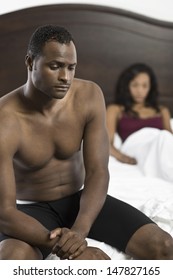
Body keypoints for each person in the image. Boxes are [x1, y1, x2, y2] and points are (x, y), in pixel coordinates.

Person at [0, 25, 173, 260]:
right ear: (30, 62)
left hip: (79, 201)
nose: (65, 77)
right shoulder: (5, 118)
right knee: (12, 258)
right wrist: (68, 247)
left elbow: (98, 171)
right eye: (55, 66)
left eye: (71, 68)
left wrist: (80, 231)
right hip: (28, 210)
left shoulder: (89, 96)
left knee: (164, 246)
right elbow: (5, 212)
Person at [106, 63, 173, 181]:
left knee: (164, 137)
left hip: (160, 146)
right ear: (127, 86)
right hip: (135, 148)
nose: (140, 91)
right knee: (163, 137)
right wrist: (124, 158)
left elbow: (169, 138)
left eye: (144, 86)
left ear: (150, 87)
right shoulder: (115, 109)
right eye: (135, 85)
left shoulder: (162, 110)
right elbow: (106, 143)